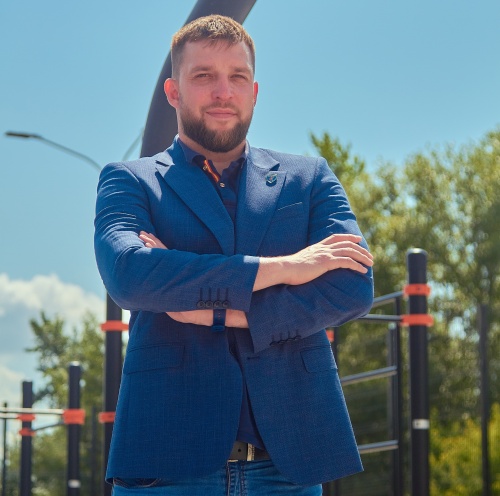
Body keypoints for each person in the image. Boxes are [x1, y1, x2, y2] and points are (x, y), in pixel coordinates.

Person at [94, 14, 374, 496]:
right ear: (173, 92)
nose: (223, 91)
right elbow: (130, 275)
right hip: (165, 464)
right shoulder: (130, 180)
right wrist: (289, 268)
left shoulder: (308, 179)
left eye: (237, 77)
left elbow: (352, 286)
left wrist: (211, 311)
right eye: (204, 75)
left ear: (254, 91)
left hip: (289, 466)